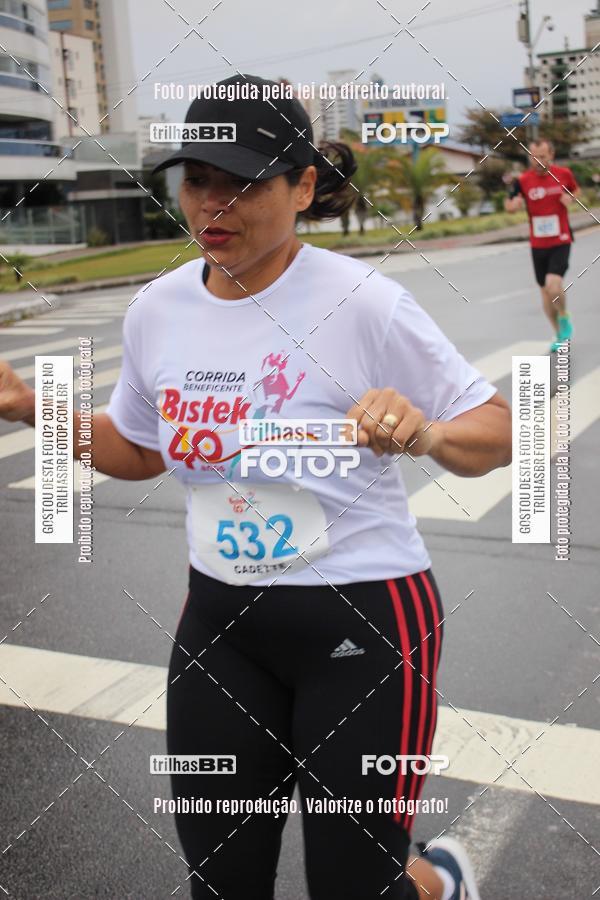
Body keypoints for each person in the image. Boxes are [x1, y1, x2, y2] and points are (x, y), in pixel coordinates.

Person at [0, 75, 511, 900]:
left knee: (355, 887)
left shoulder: (365, 304)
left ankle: (438, 881)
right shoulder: (157, 309)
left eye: (243, 183)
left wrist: (431, 434)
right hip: (221, 628)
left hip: (365, 625)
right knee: (221, 882)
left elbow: (501, 428)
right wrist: (33, 408)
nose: (213, 204)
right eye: (198, 179)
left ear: (303, 186)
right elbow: (139, 450)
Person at [504, 138, 580, 352]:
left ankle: (564, 317)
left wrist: (571, 198)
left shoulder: (563, 174)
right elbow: (509, 204)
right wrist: (513, 206)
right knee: (545, 292)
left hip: (561, 238)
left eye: (542, 157)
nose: (538, 161)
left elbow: (576, 191)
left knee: (553, 284)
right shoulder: (523, 180)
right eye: (534, 157)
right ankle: (558, 333)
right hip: (538, 243)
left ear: (551, 155)